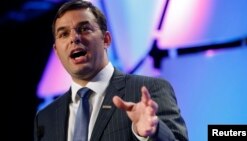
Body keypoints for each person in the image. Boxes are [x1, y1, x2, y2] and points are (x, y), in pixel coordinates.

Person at [34, 0, 189, 141]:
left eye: (84, 29)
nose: (74, 38)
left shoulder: (149, 90)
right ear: (56, 51)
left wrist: (152, 132)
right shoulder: (46, 117)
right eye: (64, 34)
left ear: (106, 40)